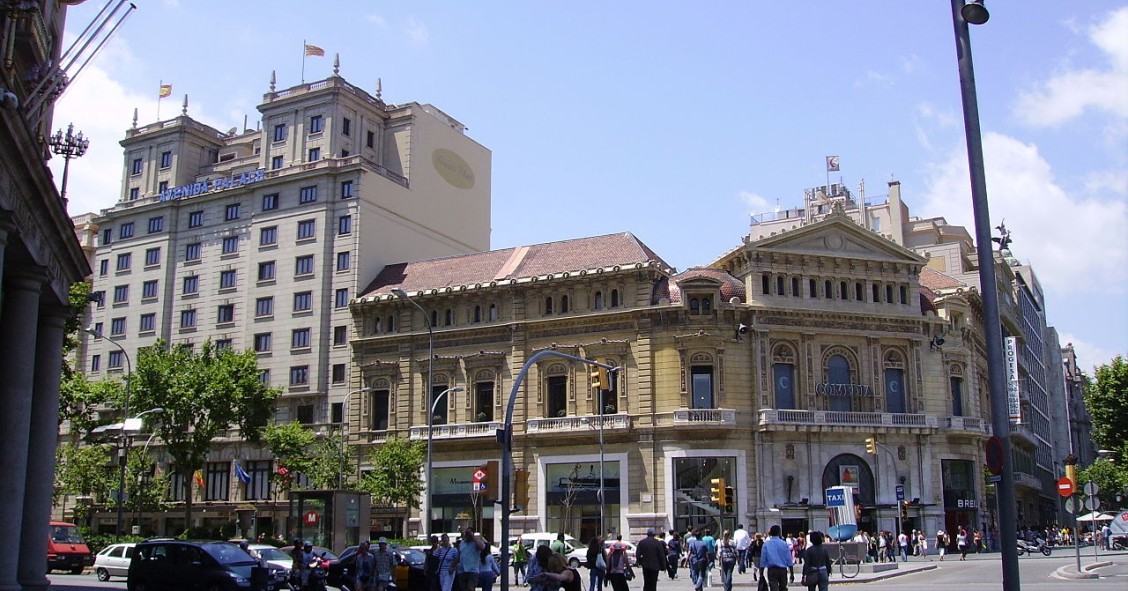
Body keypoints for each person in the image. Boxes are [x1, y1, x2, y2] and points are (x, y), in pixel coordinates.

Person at [760, 525, 793, 591]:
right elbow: (789, 559)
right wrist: (792, 573)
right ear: (779, 532)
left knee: (773, 587)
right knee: (783, 587)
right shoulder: (784, 544)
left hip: (772, 570)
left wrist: (761, 572)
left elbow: (763, 560)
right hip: (782, 570)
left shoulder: (766, 544)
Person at [457, 526, 487, 591]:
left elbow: (482, 547)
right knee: (463, 588)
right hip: (462, 570)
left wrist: (473, 537)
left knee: (470, 588)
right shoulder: (462, 543)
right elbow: (459, 555)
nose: (467, 535)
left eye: (469, 533)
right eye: (466, 533)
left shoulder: (476, 543)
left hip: (472, 570)